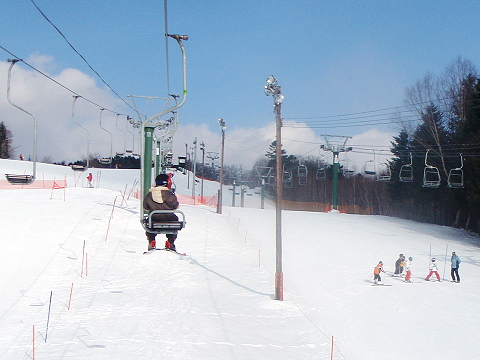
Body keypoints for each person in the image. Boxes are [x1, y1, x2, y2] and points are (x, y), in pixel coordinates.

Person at [143, 173, 180, 251]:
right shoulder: (170, 195)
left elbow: (145, 207)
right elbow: (175, 206)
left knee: (148, 221)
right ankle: (170, 242)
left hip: (154, 219)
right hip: (170, 219)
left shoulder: (149, 195)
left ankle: (151, 241)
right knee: (175, 220)